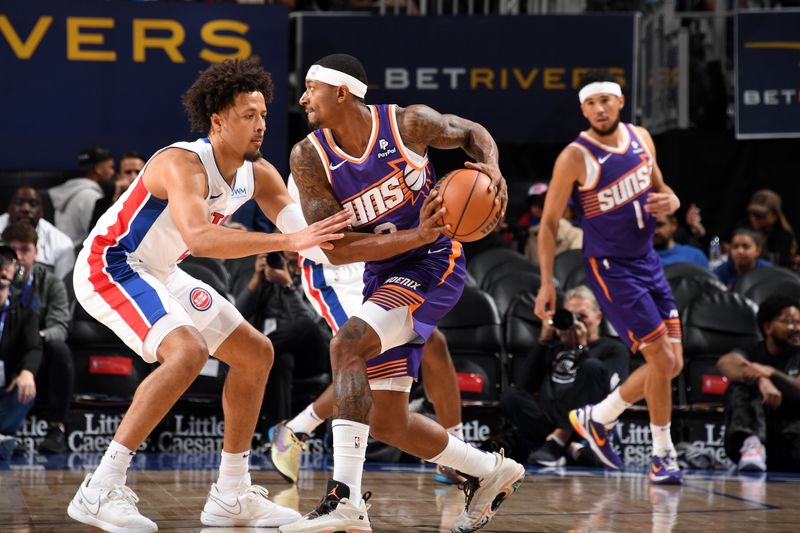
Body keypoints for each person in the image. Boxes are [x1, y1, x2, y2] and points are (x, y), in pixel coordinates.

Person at [65, 58, 351, 533]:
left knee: (256, 354)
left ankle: (231, 495)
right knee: (187, 353)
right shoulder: (182, 163)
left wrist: (378, 238)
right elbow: (200, 238)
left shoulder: (259, 175)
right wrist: (288, 243)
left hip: (161, 270)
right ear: (217, 120)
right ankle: (99, 488)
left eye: (263, 115)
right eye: (247, 116)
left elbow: (311, 240)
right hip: (110, 264)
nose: (260, 125)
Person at [281, 53, 523, 533]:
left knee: (347, 344)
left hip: (436, 264)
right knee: (389, 420)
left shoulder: (408, 124)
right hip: (384, 267)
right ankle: (491, 471)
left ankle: (345, 500)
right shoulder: (308, 157)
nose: (303, 97)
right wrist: (417, 234)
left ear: (342, 92)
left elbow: (472, 131)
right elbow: (341, 249)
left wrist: (492, 168)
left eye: (312, 88)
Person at [535, 69, 685, 485]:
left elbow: (661, 190)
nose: (599, 109)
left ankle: (597, 417)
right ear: (583, 109)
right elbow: (548, 224)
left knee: (672, 366)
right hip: (610, 268)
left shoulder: (642, 138)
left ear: (620, 101)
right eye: (590, 103)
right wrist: (547, 281)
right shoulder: (575, 156)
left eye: (605, 100)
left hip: (648, 260)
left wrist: (671, 199)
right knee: (662, 360)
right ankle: (663, 455)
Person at [267, 177, 467, 486]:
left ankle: (456, 449)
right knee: (363, 355)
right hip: (334, 268)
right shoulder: (311, 158)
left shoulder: (383, 140)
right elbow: (310, 236)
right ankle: (298, 431)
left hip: (381, 258)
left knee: (433, 341)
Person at [501, 286, 629, 466]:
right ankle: (569, 448)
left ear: (598, 317)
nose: (576, 323)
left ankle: (559, 441)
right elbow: (524, 386)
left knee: (592, 366)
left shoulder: (614, 350)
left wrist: (582, 349)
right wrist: (544, 341)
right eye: (570, 316)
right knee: (510, 396)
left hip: (586, 422)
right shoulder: (554, 347)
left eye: (582, 316)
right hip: (549, 418)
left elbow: (607, 391)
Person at [235, 251, 332, 431]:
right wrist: (257, 279)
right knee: (280, 360)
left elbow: (313, 323)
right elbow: (237, 316)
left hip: (313, 352)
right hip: (280, 351)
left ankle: (251, 355)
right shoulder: (270, 275)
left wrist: (288, 285)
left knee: (303, 324)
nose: (291, 249)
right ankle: (278, 435)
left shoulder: (316, 275)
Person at [2, 222, 73, 453]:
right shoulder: (2, 279)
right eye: (13, 251)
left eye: (25, 250)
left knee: (59, 349)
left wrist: (30, 338)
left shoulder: (51, 283)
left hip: (38, 351)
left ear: (37, 252)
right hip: (5, 351)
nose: (19, 257)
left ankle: (56, 428)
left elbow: (60, 327)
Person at [716, 294, 800, 472]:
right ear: (768, 327)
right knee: (741, 383)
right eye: (790, 322)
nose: (797, 328)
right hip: (756, 441)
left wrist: (772, 373)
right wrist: (761, 378)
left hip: (792, 441)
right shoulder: (752, 351)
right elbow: (725, 363)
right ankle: (752, 445)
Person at [0, 243, 42, 459]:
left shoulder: (25, 312)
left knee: (25, 389)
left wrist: (27, 372)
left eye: (9, 263)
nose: (3, 267)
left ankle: (3, 435)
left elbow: (34, 347)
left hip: (5, 388)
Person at [0, 187, 75, 278]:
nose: (26, 209)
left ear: (41, 211)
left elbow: (62, 286)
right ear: (10, 208)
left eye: (33, 204)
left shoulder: (63, 243)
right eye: (19, 203)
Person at [50, 145, 116, 247]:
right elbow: (99, 236)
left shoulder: (71, 191)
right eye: (110, 167)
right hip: (78, 258)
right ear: (98, 169)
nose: (113, 173)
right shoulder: (91, 197)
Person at [89, 152, 146, 230]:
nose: (134, 177)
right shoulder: (102, 204)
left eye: (138, 172)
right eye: (128, 172)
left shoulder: (156, 203)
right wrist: (115, 199)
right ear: (118, 176)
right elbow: (95, 235)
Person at [744, 189, 797, 268]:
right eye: (752, 213)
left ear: (774, 216)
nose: (753, 218)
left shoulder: (783, 238)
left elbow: (781, 267)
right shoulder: (744, 232)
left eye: (759, 215)